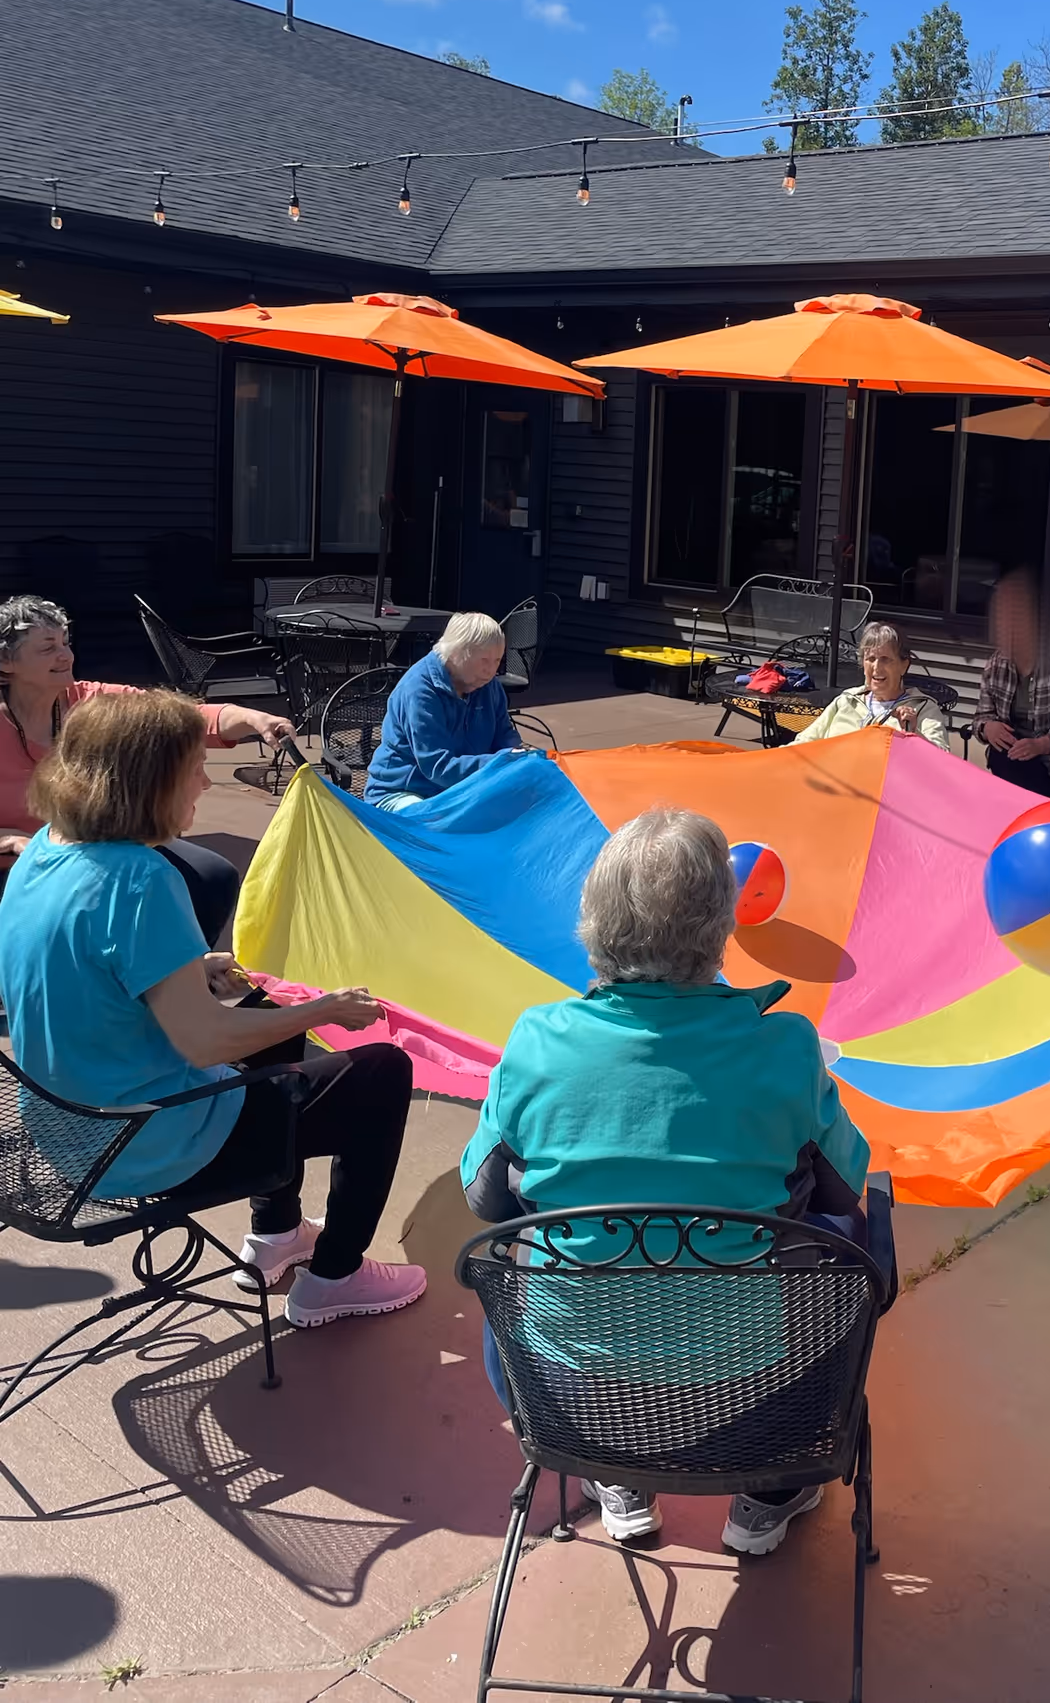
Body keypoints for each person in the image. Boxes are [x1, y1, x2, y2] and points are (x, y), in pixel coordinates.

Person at [461, 807, 878, 1557]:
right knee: (852, 1247)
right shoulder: (785, 1046)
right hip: (759, 1409)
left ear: (595, 918)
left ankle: (618, 1475)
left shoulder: (536, 1040)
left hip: (569, 1403)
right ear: (718, 925)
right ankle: (767, 1493)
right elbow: (849, 1189)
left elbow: (485, 1197)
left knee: (520, 1283)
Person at [0, 688, 426, 1326]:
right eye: (192, 766)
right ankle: (335, 1277)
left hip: (67, 1130)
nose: (205, 779)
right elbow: (206, 1045)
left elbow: (79, 966)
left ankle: (277, 1235)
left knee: (260, 1010)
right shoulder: (139, 878)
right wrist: (323, 1010)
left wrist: (190, 972)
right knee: (381, 1073)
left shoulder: (42, 850)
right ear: (146, 781)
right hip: (141, 1141)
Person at [0, 593, 291, 944]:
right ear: (6, 660)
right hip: (19, 863)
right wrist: (9, 839)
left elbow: (176, 717)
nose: (65, 655)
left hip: (97, 847)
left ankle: (186, 980)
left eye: (65, 642)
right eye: (47, 648)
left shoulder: (88, 702)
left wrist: (250, 718)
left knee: (210, 876)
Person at [365, 611, 523, 810]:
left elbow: (504, 735)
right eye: (484, 660)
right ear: (456, 653)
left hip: (462, 789)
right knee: (432, 825)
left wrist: (519, 756)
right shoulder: (420, 690)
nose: (491, 671)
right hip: (404, 791)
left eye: (497, 661)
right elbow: (438, 766)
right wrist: (502, 762)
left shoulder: (488, 685)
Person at [971, 569, 1050, 798]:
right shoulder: (995, 665)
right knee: (1005, 759)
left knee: (1010, 773)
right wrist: (987, 728)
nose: (1006, 630)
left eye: (1014, 621)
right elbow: (981, 717)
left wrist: (1042, 744)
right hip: (1014, 760)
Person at [790, 622, 948, 750]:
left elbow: (942, 760)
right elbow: (804, 741)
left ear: (903, 666)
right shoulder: (846, 701)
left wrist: (914, 735)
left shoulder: (923, 709)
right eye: (871, 658)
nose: (877, 667)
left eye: (886, 659)